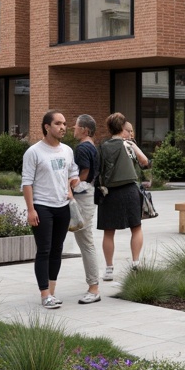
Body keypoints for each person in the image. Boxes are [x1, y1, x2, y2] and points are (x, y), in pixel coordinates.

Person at [22, 109, 78, 310]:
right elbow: (27, 183)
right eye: (58, 124)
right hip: (42, 206)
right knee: (44, 251)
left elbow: (73, 173)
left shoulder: (67, 150)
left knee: (57, 250)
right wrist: (31, 210)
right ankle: (44, 294)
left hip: (62, 207)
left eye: (64, 123)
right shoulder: (34, 152)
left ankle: (52, 293)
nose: (63, 127)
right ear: (47, 127)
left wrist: (72, 186)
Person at [97, 112, 147, 282]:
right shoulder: (127, 145)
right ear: (122, 128)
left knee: (108, 232)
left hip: (109, 192)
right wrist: (133, 145)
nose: (130, 133)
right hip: (129, 190)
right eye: (128, 130)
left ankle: (109, 268)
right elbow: (144, 161)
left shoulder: (103, 146)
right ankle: (135, 263)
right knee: (136, 227)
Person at [71, 114, 102, 305]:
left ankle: (94, 287)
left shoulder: (82, 147)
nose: (72, 129)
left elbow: (84, 172)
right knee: (85, 240)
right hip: (89, 195)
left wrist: (72, 185)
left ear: (84, 130)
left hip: (83, 197)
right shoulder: (92, 147)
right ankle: (93, 285)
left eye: (75, 126)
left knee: (85, 241)